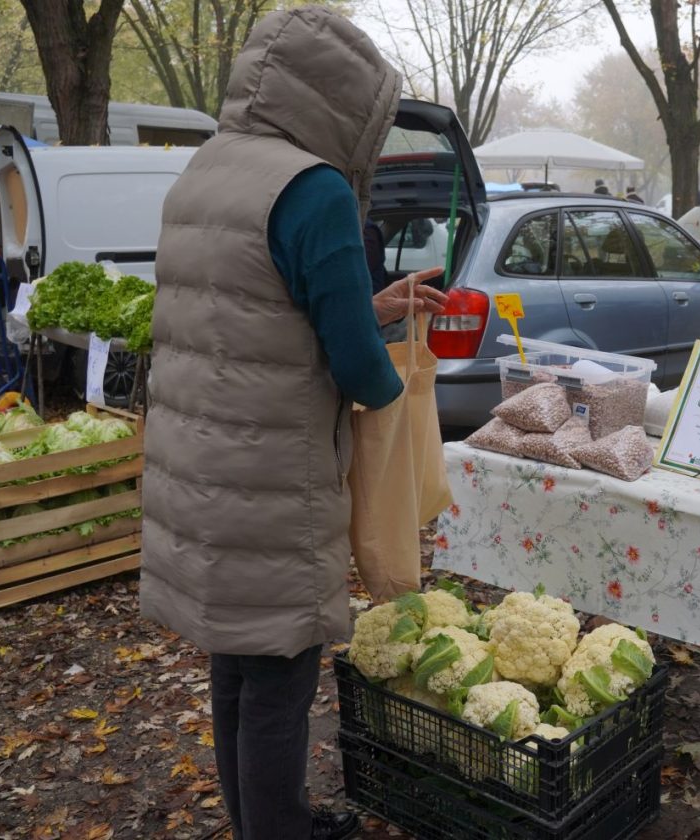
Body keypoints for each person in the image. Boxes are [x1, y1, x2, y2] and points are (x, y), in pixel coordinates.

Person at [138, 8, 446, 840]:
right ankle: (281, 830)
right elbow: (355, 366)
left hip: (202, 468)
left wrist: (369, 303)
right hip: (273, 475)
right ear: (343, 104)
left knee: (236, 663)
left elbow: (259, 311)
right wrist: (401, 379)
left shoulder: (207, 168)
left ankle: (256, 823)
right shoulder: (314, 188)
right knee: (280, 674)